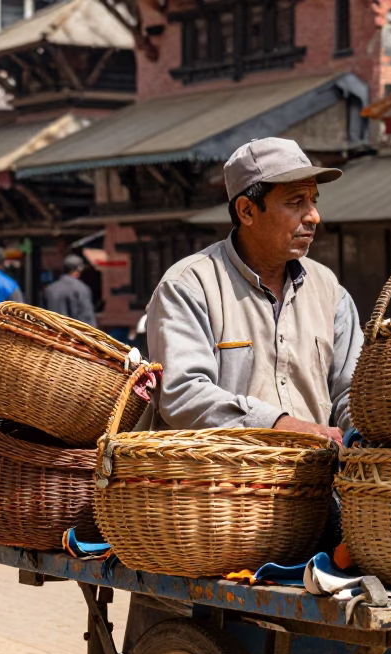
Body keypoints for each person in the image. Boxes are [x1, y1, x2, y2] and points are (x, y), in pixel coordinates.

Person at [148, 137, 361, 442]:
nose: (313, 216)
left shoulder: (329, 289)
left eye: (313, 200)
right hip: (223, 483)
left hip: (317, 481)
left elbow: (353, 391)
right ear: (246, 211)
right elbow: (182, 394)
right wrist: (279, 424)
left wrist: (364, 432)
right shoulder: (188, 286)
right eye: (295, 202)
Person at [43, 254, 97, 326]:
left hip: (52, 335)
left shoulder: (50, 289)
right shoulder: (81, 289)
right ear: (79, 269)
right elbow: (87, 317)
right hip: (73, 335)